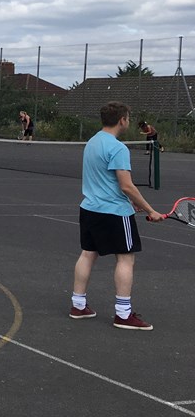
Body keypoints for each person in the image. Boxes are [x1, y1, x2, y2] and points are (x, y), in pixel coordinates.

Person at [70, 101, 164, 330]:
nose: (129, 122)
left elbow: (107, 180)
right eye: (128, 118)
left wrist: (132, 201)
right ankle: (123, 314)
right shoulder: (118, 148)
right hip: (113, 212)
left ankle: (78, 305)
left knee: (88, 254)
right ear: (122, 120)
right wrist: (151, 210)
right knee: (126, 258)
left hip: (89, 208)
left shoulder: (92, 142)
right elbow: (126, 186)